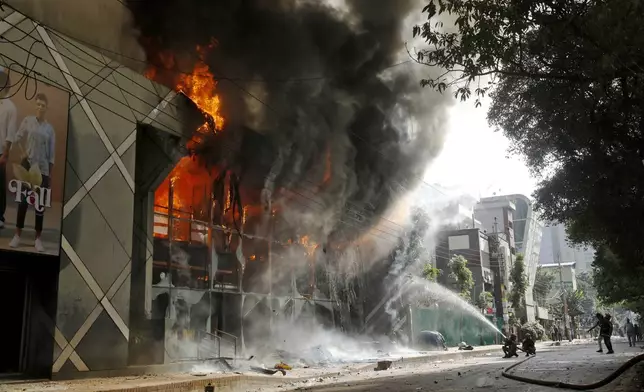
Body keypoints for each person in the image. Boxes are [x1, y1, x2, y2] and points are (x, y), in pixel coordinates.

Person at [9, 93, 55, 252]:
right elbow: (17, 138)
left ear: (46, 108)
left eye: (43, 105)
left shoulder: (50, 129)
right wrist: (22, 153)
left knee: (39, 206)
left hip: (41, 171)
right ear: (35, 105)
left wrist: (49, 175)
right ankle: (17, 235)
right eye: (38, 104)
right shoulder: (28, 121)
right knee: (23, 202)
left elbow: (52, 155)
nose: (40, 107)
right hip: (27, 167)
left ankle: (38, 239)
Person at [0, 68, 17, 229]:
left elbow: (10, 134)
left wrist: (5, 154)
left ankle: (0, 216)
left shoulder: (10, 107)